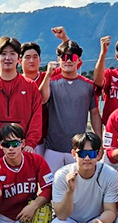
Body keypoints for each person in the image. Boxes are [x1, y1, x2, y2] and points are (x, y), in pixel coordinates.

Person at [40, 40, 102, 172]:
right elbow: (41, 100)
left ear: (78, 60)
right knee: (49, 183)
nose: (68, 61)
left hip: (79, 148)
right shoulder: (51, 83)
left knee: (78, 183)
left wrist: (99, 141)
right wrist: (48, 75)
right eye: (64, 57)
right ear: (58, 59)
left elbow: (95, 113)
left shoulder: (88, 85)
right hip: (53, 148)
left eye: (72, 57)